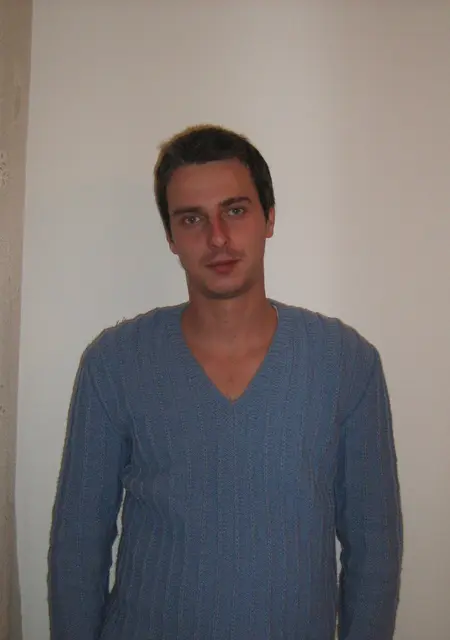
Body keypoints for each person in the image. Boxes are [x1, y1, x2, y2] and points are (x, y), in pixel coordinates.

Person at [48, 125, 403, 640]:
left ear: (269, 218)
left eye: (235, 211)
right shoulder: (114, 363)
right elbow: (78, 545)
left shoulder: (347, 364)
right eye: (192, 219)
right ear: (171, 237)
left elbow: (375, 548)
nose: (217, 237)